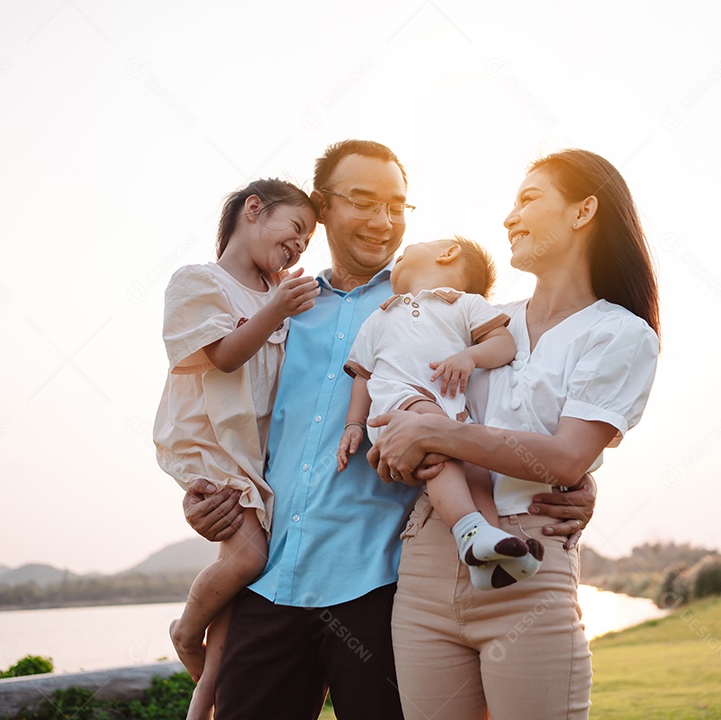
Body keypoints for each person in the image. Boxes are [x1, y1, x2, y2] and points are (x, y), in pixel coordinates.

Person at [179, 140, 598, 720]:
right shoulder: (276, 305)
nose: (384, 222)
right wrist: (201, 493)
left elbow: (523, 400)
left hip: (383, 590)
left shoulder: (442, 303)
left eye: (398, 207)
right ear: (322, 207)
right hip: (270, 581)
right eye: (364, 201)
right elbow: (219, 414)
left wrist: (583, 477)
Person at [368, 149, 660, 719]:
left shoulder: (620, 334)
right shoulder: (477, 318)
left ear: (583, 212)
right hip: (428, 559)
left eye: (529, 199)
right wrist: (395, 447)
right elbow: (410, 408)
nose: (509, 217)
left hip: (529, 561)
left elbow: (568, 458)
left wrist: (432, 433)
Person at [152, 178, 320, 718]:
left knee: (240, 578)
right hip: (209, 442)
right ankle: (185, 630)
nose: (300, 245)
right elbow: (223, 356)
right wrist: (277, 309)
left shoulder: (280, 297)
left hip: (255, 453)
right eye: (295, 228)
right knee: (249, 557)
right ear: (254, 210)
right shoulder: (201, 281)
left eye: (309, 240)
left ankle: (205, 700)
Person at [338, 236, 545, 590]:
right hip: (399, 408)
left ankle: (491, 549)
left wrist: (470, 357)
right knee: (436, 441)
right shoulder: (380, 316)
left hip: (450, 410)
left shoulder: (465, 304)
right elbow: (363, 377)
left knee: (477, 467)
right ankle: (467, 529)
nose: (397, 259)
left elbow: (504, 343)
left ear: (448, 253)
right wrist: (353, 424)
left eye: (406, 252)